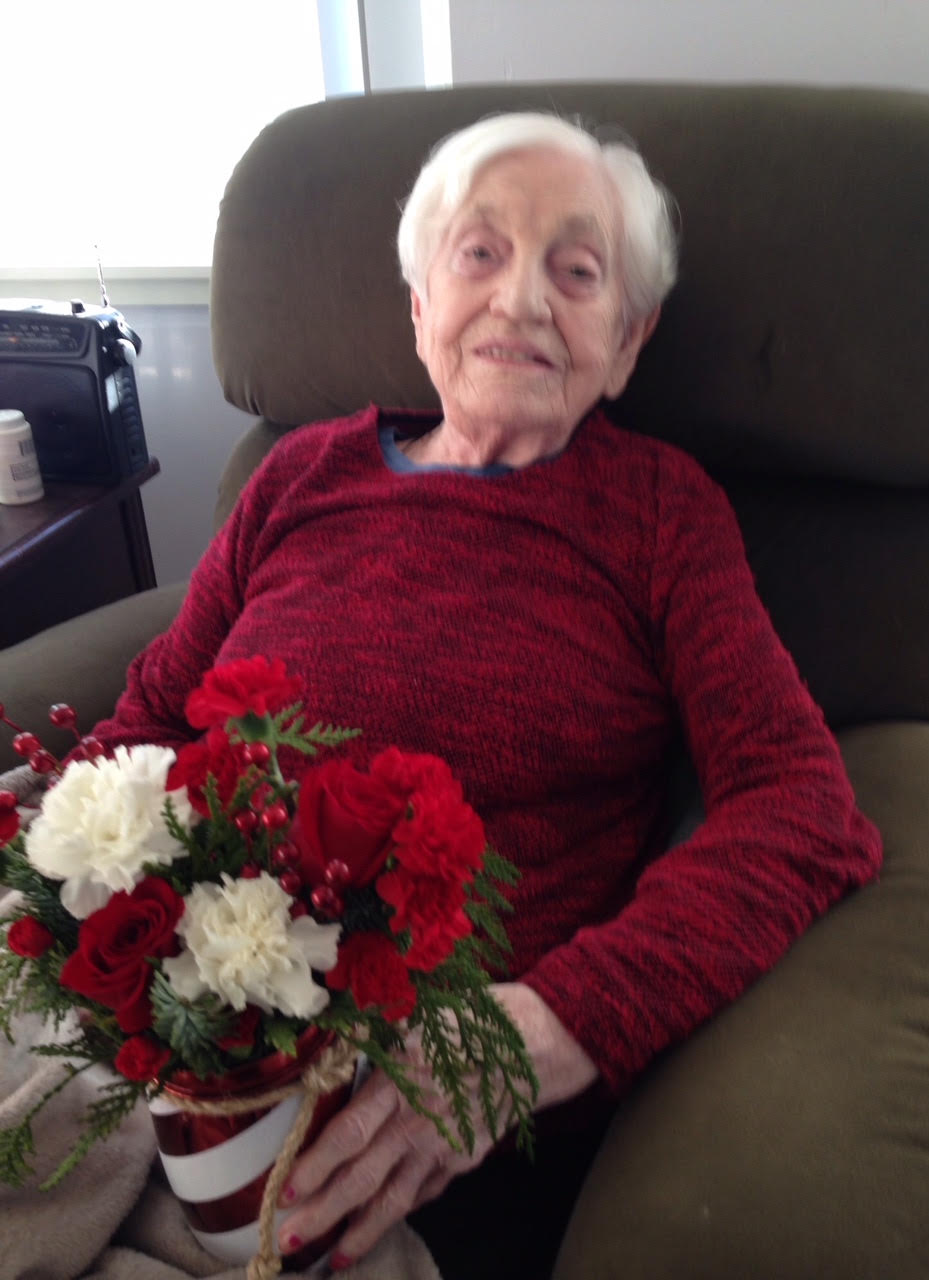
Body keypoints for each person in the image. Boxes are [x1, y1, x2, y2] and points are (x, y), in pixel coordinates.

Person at [74, 113, 882, 1276]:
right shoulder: (299, 473)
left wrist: (556, 1020)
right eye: (479, 253)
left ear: (626, 343)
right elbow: (144, 726)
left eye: (577, 271)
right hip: (167, 1040)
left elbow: (801, 807)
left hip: (400, 1117)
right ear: (419, 307)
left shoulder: (659, 513)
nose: (520, 299)